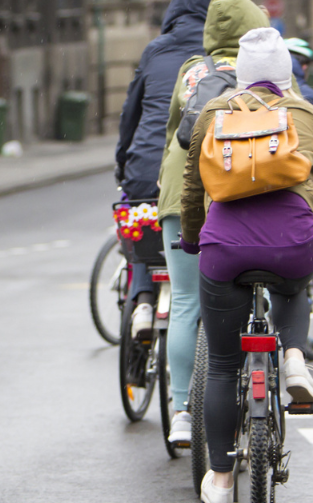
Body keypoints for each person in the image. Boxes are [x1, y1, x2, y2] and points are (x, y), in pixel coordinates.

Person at [180, 27, 313, 503]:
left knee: (225, 365)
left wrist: (193, 239)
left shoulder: (214, 113)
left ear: (241, 73)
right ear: (286, 74)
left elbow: (192, 187)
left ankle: (224, 479)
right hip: (292, 242)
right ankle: (294, 356)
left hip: (225, 247)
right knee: (294, 286)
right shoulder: (307, 114)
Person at [156, 0, 270, 446]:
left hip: (181, 193)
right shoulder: (264, 68)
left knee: (185, 301)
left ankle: (182, 409)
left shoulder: (192, 71)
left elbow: (172, 135)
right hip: (243, 194)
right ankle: (262, 382)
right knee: (261, 286)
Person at [114, 0, 210, 392]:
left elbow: (130, 115)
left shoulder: (155, 49)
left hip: (143, 171)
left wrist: (125, 163)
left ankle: (141, 303)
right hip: (194, 174)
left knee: (142, 237)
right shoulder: (213, 56)